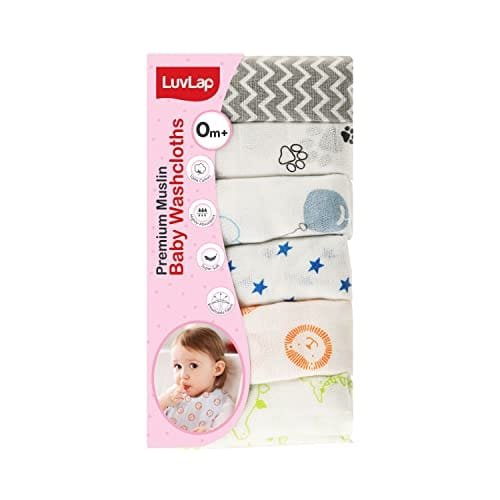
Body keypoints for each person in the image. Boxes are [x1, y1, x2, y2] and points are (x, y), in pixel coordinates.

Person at [159, 327, 234, 432]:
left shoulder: (223, 403)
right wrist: (165, 401)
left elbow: (225, 433)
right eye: (178, 366)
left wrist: (208, 432)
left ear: (217, 369)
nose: (183, 375)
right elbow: (151, 415)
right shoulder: (173, 394)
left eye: (193, 365)